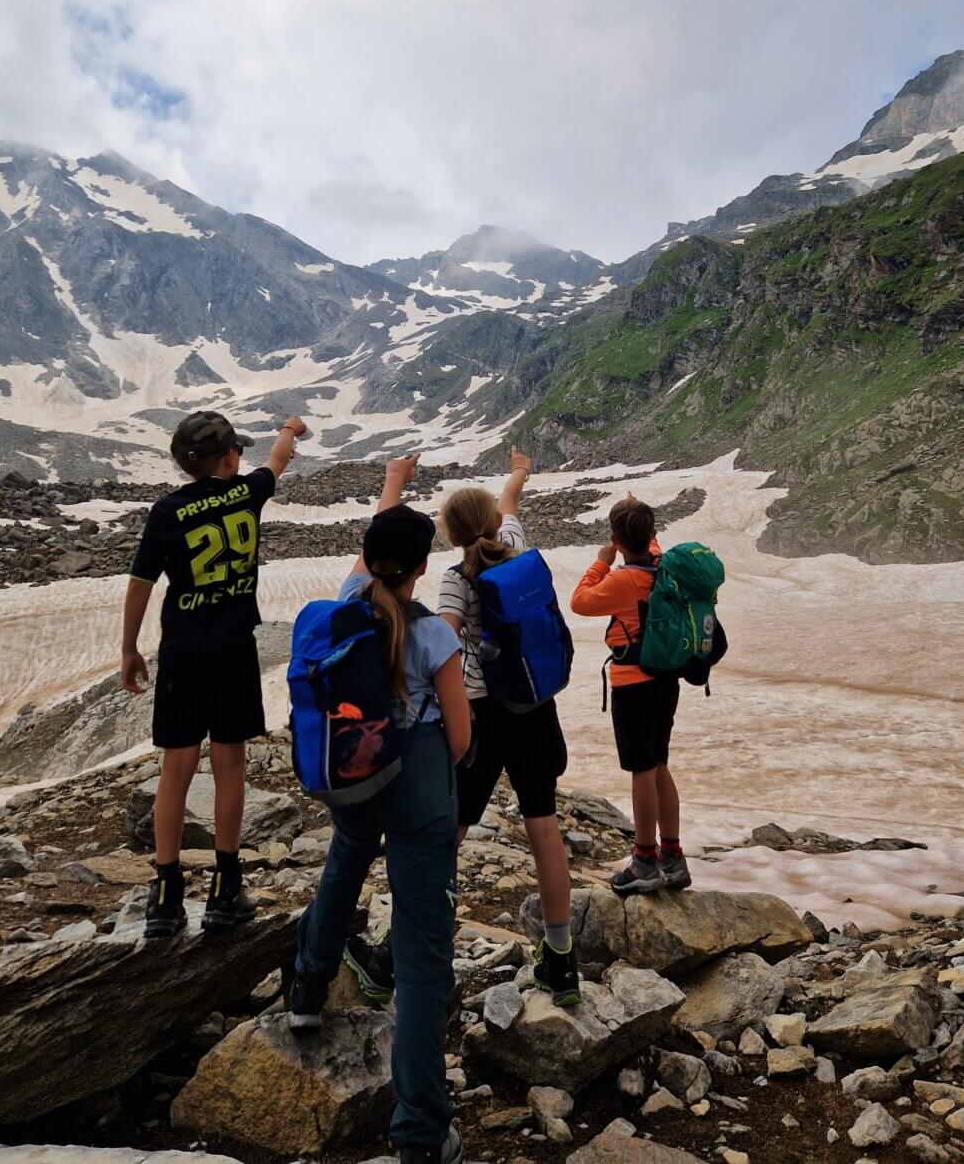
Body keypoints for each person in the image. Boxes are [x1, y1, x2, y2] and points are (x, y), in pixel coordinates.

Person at [288, 455, 471, 1164]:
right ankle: (421, 1129)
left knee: (346, 856)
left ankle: (307, 988)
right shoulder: (435, 635)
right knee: (425, 952)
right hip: (420, 776)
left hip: (353, 773)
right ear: (422, 568)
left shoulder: (347, 599)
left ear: (368, 560)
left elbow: (376, 542)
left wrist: (392, 486)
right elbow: (459, 739)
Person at [121, 410, 307, 938]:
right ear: (229, 458)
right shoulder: (248, 493)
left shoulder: (167, 511)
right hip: (232, 651)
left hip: (183, 652)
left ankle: (165, 895)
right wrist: (290, 430)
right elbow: (278, 460)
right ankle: (226, 886)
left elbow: (140, 583)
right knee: (230, 764)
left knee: (175, 768)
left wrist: (130, 647)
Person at [434, 448, 580, 1006]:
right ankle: (561, 959)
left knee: (452, 831)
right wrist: (520, 469)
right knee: (543, 825)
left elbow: (445, 638)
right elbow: (511, 500)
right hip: (535, 707)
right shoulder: (516, 549)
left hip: (481, 716)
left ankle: (417, 944)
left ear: (452, 536)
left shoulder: (455, 578)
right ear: (495, 523)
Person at [569, 493, 692, 895]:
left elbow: (580, 601)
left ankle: (644, 861)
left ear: (617, 540)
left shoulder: (622, 580)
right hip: (665, 681)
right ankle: (673, 857)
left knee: (641, 769)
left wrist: (603, 559)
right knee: (658, 764)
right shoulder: (663, 567)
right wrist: (636, 524)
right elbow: (648, 543)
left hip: (632, 684)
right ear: (652, 534)